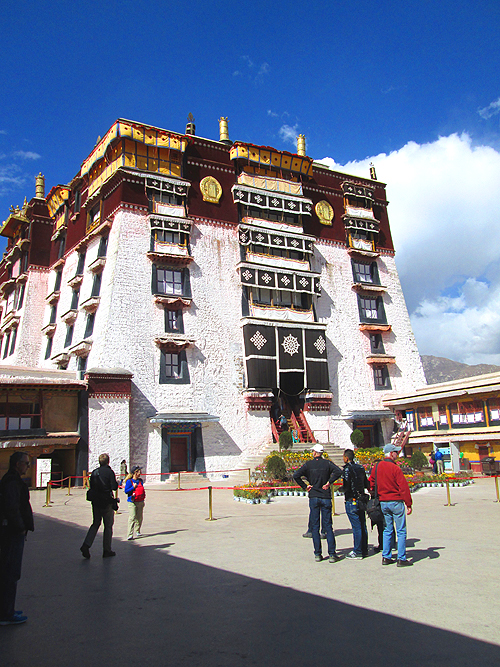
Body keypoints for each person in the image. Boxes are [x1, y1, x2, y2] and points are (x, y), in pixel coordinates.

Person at [0, 451, 34, 625]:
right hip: (12, 533)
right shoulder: (12, 482)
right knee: (10, 572)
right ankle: (6, 613)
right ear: (17, 464)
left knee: (9, 571)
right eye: (26, 463)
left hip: (11, 531)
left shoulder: (10, 480)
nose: (28, 467)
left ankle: (7, 608)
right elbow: (12, 507)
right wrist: (20, 527)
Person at [293, 444, 342, 562]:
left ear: (315, 452)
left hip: (314, 495)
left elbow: (296, 475)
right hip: (325, 496)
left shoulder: (309, 464)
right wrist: (329, 482)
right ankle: (331, 554)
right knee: (328, 526)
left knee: (315, 526)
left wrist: (305, 486)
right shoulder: (327, 463)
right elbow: (338, 472)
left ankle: (318, 554)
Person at [369, 443, 413, 567]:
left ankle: (386, 556)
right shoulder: (395, 468)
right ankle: (401, 558)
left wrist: (374, 492)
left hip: (383, 502)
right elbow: (403, 487)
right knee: (401, 530)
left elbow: (371, 482)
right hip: (396, 501)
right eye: (396, 452)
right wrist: (408, 503)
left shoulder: (377, 467)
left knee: (387, 529)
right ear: (391, 454)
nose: (397, 455)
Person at [80, 453, 118, 559]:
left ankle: (86, 544)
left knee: (96, 523)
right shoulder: (109, 472)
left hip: (96, 502)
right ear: (108, 461)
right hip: (106, 502)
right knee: (108, 526)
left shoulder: (95, 472)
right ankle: (107, 549)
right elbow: (114, 487)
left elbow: (92, 486)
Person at [342, 449, 369, 559]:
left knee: (356, 526)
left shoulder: (347, 469)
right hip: (361, 497)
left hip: (351, 499)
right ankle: (364, 549)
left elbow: (347, 483)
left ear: (346, 458)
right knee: (362, 524)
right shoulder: (360, 468)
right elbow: (366, 482)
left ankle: (357, 551)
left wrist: (343, 489)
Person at [125, 466, 145, 540]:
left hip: (140, 501)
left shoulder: (140, 481)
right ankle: (130, 534)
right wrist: (133, 487)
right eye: (139, 471)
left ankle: (137, 530)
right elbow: (126, 491)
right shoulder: (129, 481)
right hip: (132, 501)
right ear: (135, 473)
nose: (140, 473)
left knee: (139, 517)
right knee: (132, 517)